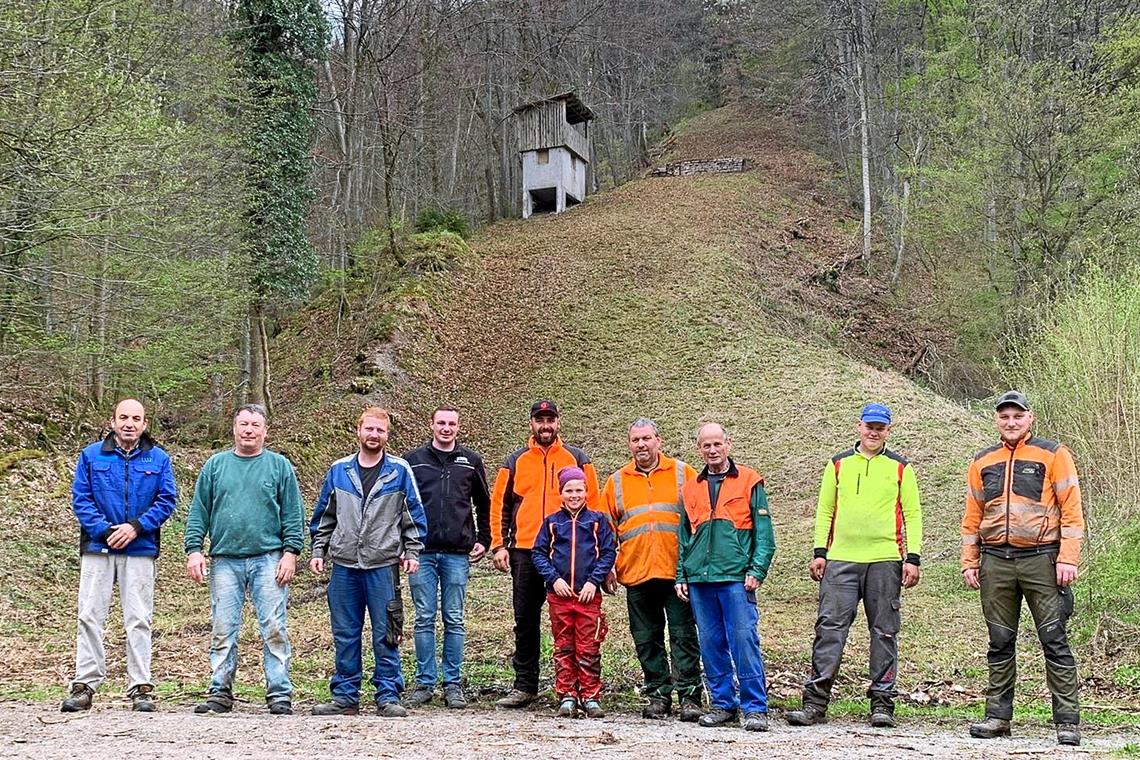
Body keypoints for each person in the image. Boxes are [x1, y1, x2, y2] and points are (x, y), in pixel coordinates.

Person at [785, 402, 923, 729]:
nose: (874, 432)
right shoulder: (837, 465)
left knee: (885, 633)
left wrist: (912, 558)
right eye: (869, 426)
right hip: (840, 560)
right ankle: (815, 704)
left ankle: (882, 705)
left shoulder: (901, 468)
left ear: (888, 430)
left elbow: (913, 515)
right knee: (829, 630)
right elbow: (824, 511)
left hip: (885, 560)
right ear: (859, 426)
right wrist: (820, 552)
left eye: (880, 427)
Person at [961, 391, 1084, 746]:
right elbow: (972, 516)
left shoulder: (1053, 454)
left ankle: (1067, 722)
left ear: (1030, 418)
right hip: (995, 562)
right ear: (997, 420)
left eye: (1017, 416)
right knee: (1000, 642)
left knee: (1054, 640)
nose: (1011, 422)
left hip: (1042, 561)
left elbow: (1072, 511)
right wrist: (970, 562)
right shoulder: (982, 459)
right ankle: (998, 718)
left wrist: (1068, 558)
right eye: (1004, 416)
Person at [184, 404, 305, 715]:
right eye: (244, 424)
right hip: (225, 559)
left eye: (255, 425)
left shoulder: (279, 466)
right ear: (234, 429)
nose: (249, 430)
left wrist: (291, 553)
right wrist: (194, 549)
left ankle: (279, 693)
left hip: (269, 558)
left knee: (274, 627)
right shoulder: (215, 466)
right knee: (223, 628)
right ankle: (220, 691)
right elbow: (200, 511)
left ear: (265, 431)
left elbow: (293, 514)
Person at [60, 399, 178, 713]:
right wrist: (105, 530)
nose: (129, 423)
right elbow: (81, 499)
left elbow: (166, 500)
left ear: (145, 423)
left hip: (140, 548)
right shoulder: (91, 455)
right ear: (112, 422)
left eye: (135, 418)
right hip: (98, 548)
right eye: (123, 417)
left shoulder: (159, 458)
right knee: (89, 616)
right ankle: (85, 684)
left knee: (138, 619)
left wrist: (136, 528)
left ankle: (140, 687)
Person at [309, 407, 427, 717]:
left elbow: (412, 514)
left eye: (380, 430)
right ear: (358, 431)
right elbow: (325, 514)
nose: (374, 435)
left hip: (382, 565)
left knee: (386, 632)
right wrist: (318, 550)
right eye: (369, 429)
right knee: (345, 633)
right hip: (344, 564)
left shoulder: (399, 471)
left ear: (387, 435)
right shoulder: (339, 470)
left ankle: (388, 695)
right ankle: (345, 696)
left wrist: (412, 551)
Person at [489, 400, 601, 708]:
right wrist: (499, 545)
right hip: (524, 550)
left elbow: (595, 504)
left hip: (567, 553)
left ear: (558, 422)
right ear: (531, 424)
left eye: (550, 419)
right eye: (540, 420)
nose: (545, 425)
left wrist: (601, 554)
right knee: (525, 620)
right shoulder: (515, 461)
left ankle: (574, 688)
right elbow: (499, 504)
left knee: (572, 620)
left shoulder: (577, 459)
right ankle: (525, 685)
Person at [675, 423, 775, 732]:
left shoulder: (749, 480)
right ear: (699, 449)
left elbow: (765, 536)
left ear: (728, 444)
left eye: (717, 444)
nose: (712, 450)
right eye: (706, 446)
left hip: (735, 578)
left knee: (744, 642)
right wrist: (682, 574)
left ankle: (755, 708)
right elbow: (683, 537)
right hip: (700, 580)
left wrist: (757, 570)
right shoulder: (690, 487)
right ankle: (722, 704)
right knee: (711, 643)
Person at [602, 418, 703, 721]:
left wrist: (695, 567)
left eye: (646, 438)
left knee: (684, 636)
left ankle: (690, 696)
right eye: (636, 440)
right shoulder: (617, 481)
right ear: (629, 444)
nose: (641, 445)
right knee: (646, 638)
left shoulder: (684, 474)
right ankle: (658, 694)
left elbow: (699, 522)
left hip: (677, 573)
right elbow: (606, 531)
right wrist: (606, 567)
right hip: (636, 572)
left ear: (659, 440)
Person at [403, 405, 491, 709]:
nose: (446, 428)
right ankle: (425, 682)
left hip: (457, 553)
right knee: (424, 618)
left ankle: (453, 684)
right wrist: (404, 543)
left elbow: (483, 503)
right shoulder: (413, 461)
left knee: (454, 619)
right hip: (421, 552)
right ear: (432, 425)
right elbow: (401, 504)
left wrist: (484, 539)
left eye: (451, 423)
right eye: (441, 422)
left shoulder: (471, 461)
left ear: (458, 427)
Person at [532, 466, 617, 718]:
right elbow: (538, 554)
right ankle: (567, 694)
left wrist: (594, 581)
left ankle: (590, 695)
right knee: (564, 646)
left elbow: (608, 552)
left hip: (587, 596)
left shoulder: (597, 521)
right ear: (561, 493)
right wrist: (553, 579)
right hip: (560, 596)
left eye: (579, 490)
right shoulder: (552, 523)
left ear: (586, 492)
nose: (574, 495)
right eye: (569, 490)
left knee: (588, 646)